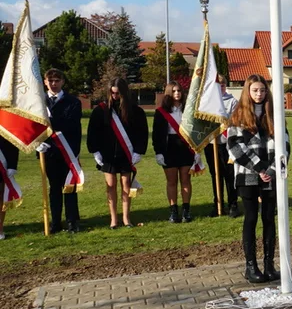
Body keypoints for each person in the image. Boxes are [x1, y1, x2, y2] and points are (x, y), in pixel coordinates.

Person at [227, 75, 287, 283]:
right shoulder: (238, 116)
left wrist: (270, 170)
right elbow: (235, 148)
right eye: (255, 90)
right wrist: (259, 168)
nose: (259, 94)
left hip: (270, 175)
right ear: (248, 91)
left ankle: (269, 264)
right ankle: (251, 266)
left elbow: (284, 145)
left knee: (269, 218)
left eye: (262, 90)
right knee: (251, 218)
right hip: (247, 176)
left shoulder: (275, 115)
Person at [87, 78, 149, 229]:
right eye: (112, 93)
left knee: (126, 185)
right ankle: (113, 220)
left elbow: (142, 133)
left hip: (126, 154)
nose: (115, 96)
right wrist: (95, 151)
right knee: (111, 185)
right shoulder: (100, 110)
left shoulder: (135, 111)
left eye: (118, 93)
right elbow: (92, 132)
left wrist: (139, 152)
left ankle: (126, 218)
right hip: (107, 155)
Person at [38, 69, 83, 233]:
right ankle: (55, 222)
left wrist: (75, 152)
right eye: (50, 81)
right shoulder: (38, 102)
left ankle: (72, 221)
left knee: (70, 187)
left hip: (68, 151)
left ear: (63, 81)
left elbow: (74, 128)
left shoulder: (73, 102)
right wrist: (37, 143)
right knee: (54, 188)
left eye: (57, 80)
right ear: (45, 82)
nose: (54, 84)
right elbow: (34, 126)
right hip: (47, 152)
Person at [152, 83, 200, 223]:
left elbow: (195, 131)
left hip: (186, 147)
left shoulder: (189, 110)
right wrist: (158, 152)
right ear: (168, 93)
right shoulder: (161, 112)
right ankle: (173, 211)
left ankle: (186, 210)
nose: (177, 93)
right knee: (171, 182)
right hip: (169, 148)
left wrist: (196, 150)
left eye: (179, 90)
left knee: (186, 180)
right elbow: (157, 135)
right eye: (173, 91)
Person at [206, 76, 240, 218]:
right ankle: (218, 204)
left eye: (222, 85)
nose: (220, 88)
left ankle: (233, 204)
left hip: (228, 144)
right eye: (217, 86)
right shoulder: (207, 103)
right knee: (215, 175)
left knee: (230, 175)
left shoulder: (232, 102)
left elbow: (235, 121)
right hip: (211, 143)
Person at [0, 137, 18, 241]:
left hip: (2, 164)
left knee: (1, 196)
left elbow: (13, 140)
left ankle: (0, 228)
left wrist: (12, 165)